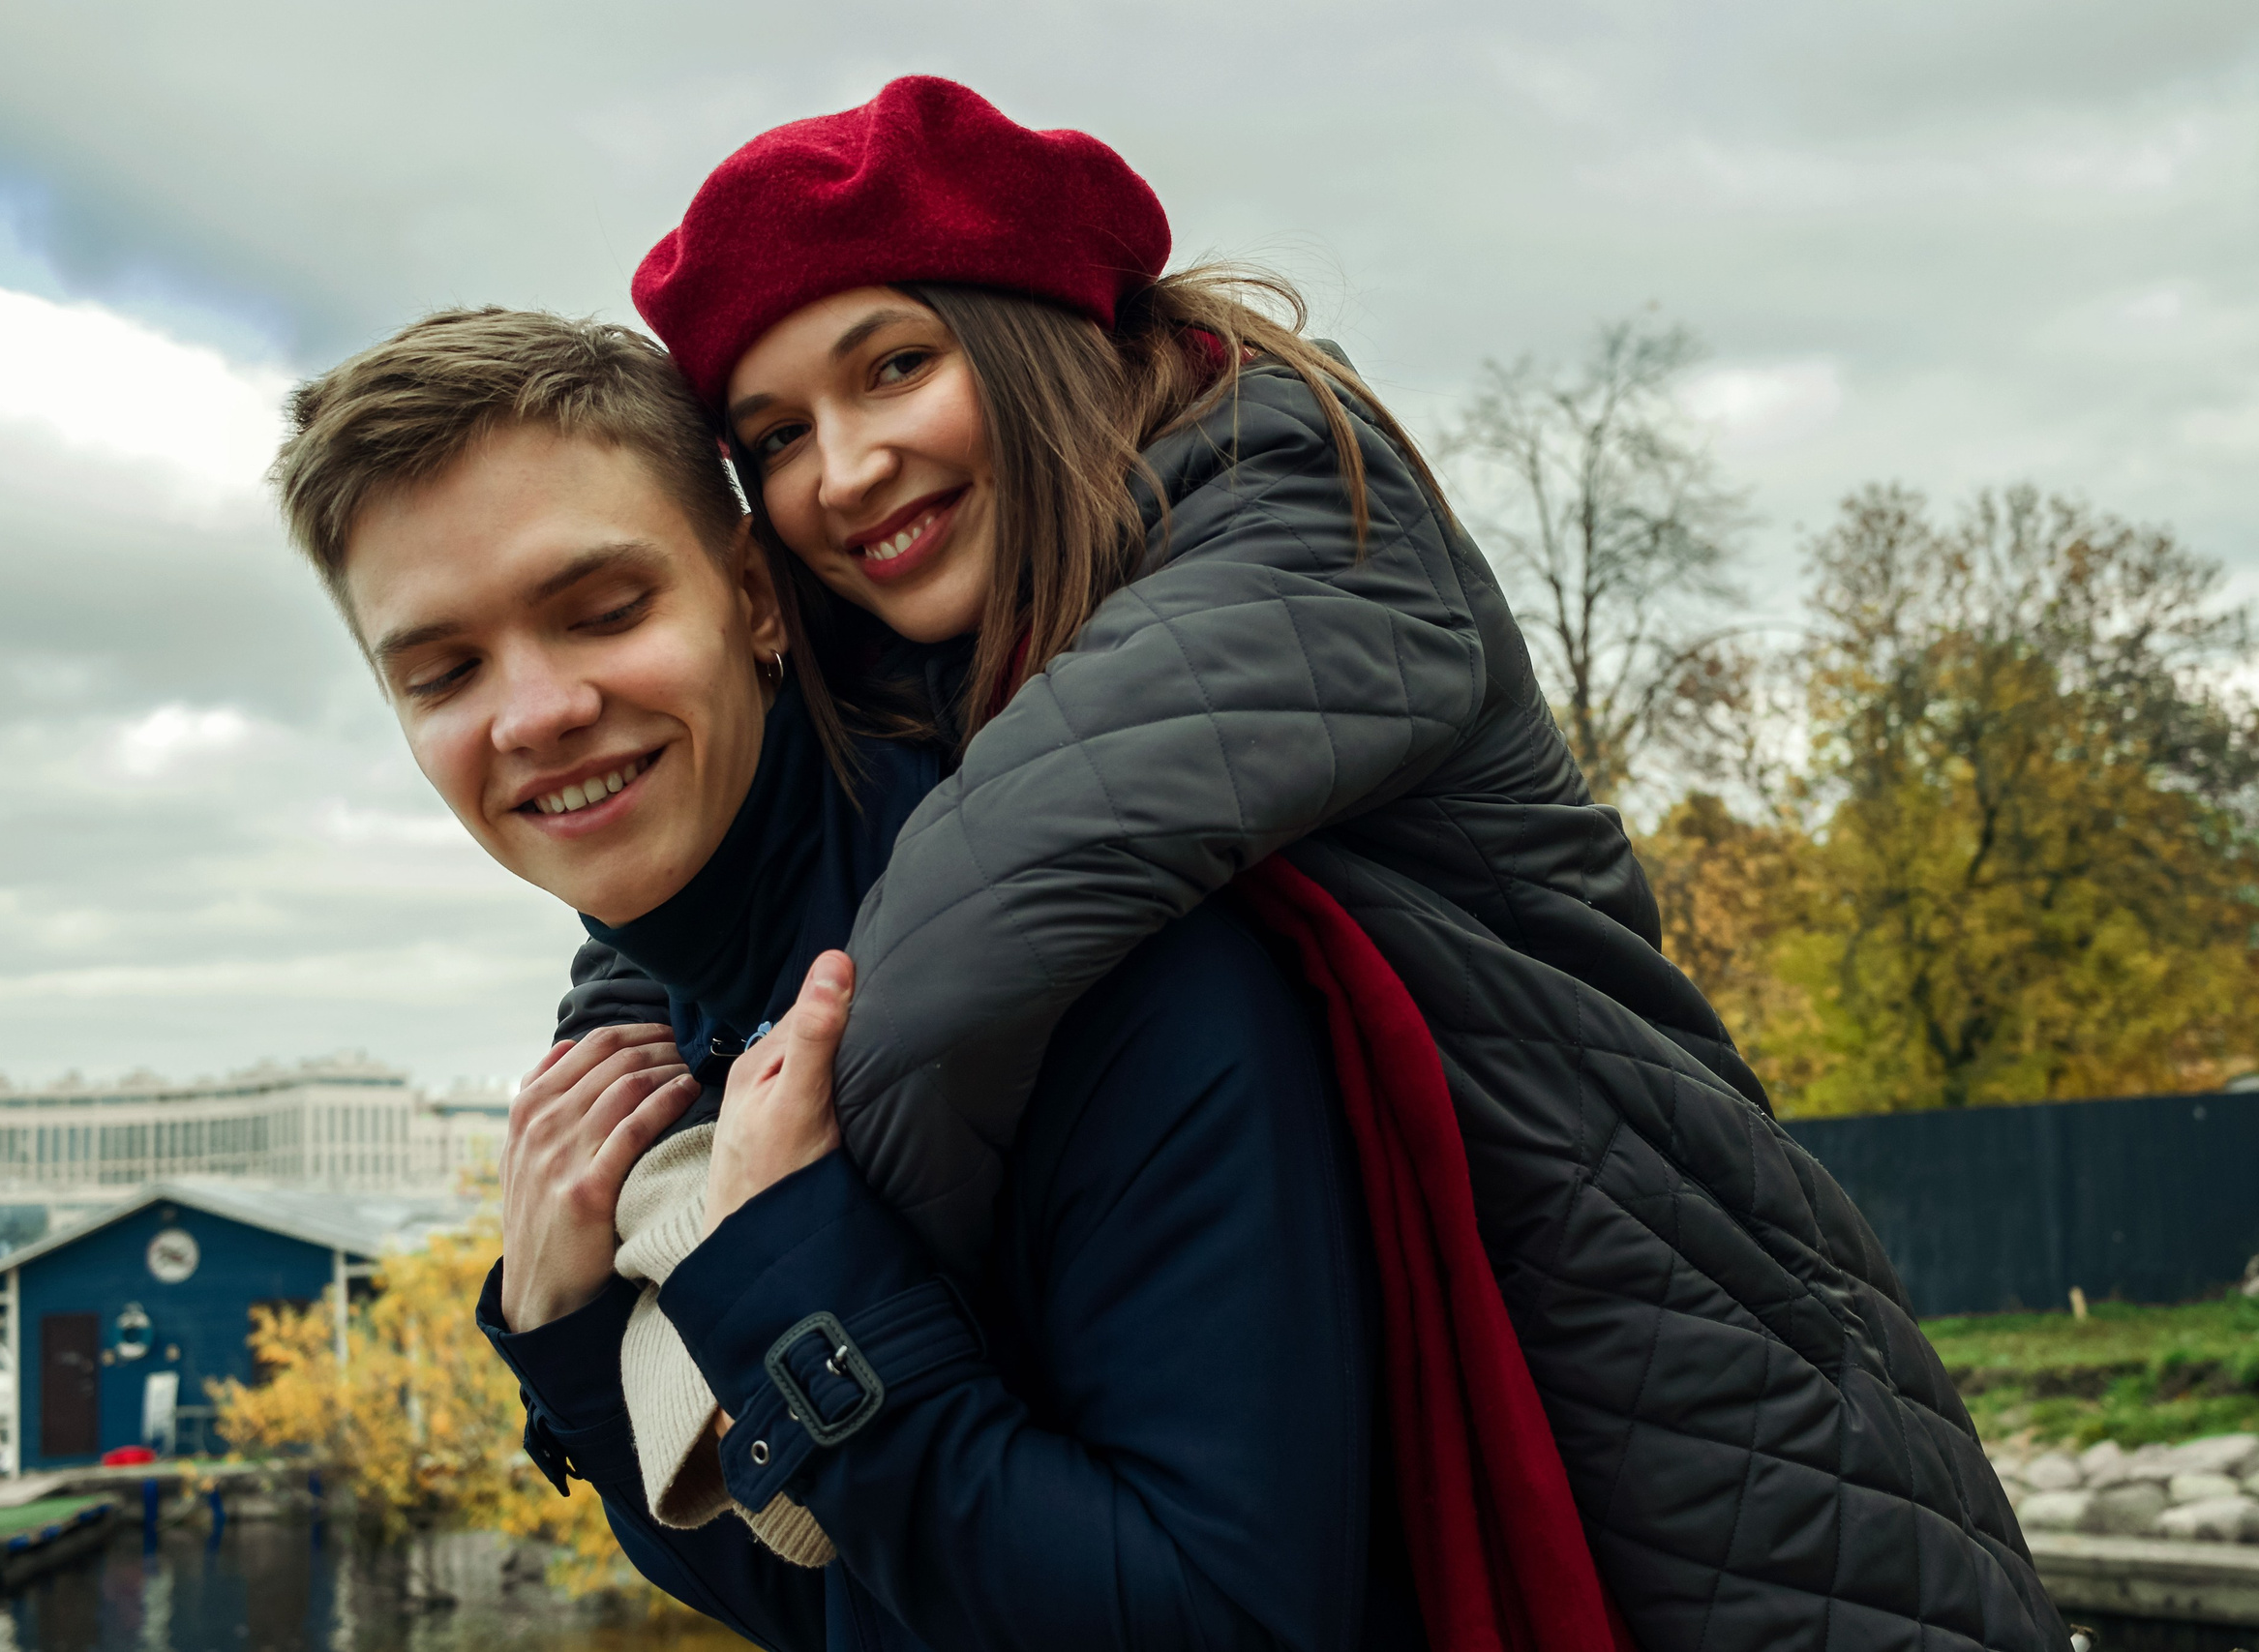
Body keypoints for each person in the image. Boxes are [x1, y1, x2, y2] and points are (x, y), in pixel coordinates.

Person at [566, 75, 2066, 1651]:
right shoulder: (947, 649)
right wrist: (588, 1207)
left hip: (1678, 1394)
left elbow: (945, 963)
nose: (848, 468)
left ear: (1027, 337)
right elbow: (684, 920)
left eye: (895, 367)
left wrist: (770, 1270)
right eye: (777, 436)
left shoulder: (1291, 520)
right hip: (1427, 1424)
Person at [269, 309, 1429, 1650]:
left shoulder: (1083, 956)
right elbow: (839, 1600)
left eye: (605, 613)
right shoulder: (675, 1019)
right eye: (444, 674)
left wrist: (786, 1269)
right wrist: (570, 1341)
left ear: (756, 598)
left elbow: (1235, 1621)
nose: (535, 715)